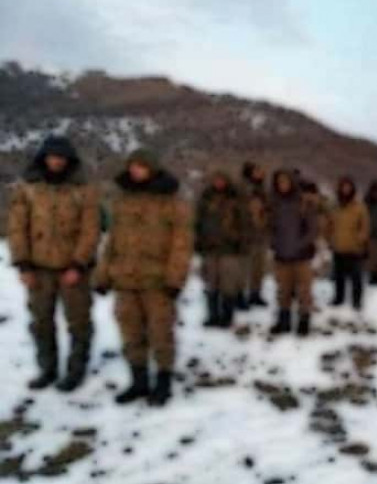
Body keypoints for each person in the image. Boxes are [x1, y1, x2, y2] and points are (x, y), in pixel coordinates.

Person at [94, 149, 192, 406]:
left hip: (157, 281)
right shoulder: (122, 200)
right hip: (125, 280)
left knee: (161, 333)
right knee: (130, 334)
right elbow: (112, 242)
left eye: (141, 166)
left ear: (152, 168)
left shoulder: (171, 202)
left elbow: (181, 244)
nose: (135, 170)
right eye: (132, 166)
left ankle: (163, 382)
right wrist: (102, 275)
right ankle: (139, 382)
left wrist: (175, 279)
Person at [8, 136, 100, 392]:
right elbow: (17, 227)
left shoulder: (83, 190)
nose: (56, 161)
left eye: (61, 157)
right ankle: (47, 369)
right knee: (41, 323)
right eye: (52, 156)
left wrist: (78, 264)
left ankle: (76, 370)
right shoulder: (29, 189)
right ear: (44, 158)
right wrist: (23, 264)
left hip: (73, 269)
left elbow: (90, 230)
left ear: (69, 160)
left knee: (79, 322)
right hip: (39, 268)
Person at [196, 171, 249, 328]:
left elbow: (244, 223)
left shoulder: (235, 199)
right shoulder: (206, 198)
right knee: (211, 284)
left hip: (230, 248)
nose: (218, 182)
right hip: (210, 248)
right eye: (216, 180)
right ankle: (212, 316)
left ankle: (227, 316)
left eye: (221, 180)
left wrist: (241, 243)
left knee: (228, 284)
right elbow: (198, 221)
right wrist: (198, 241)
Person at [268, 169, 318, 336]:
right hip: (281, 254)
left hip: (301, 255)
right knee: (283, 290)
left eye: (285, 181)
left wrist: (300, 244)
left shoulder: (303, 202)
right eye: (279, 182)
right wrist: (274, 242)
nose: (283, 185)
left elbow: (312, 228)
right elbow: (270, 226)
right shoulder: (274, 203)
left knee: (304, 290)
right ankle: (284, 321)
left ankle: (304, 321)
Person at [326, 177, 369, 309]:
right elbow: (328, 224)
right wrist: (330, 238)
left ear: (352, 189)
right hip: (338, 246)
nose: (346, 189)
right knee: (339, 276)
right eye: (343, 187)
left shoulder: (359, 206)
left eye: (348, 187)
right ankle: (339, 298)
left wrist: (360, 239)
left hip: (354, 247)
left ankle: (357, 301)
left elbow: (365, 225)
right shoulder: (334, 206)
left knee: (356, 276)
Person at [242, 162, 270, 307]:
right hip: (247, 234)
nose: (260, 173)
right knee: (246, 267)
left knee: (259, 267)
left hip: (261, 233)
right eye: (257, 171)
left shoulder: (263, 189)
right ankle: (242, 295)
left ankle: (256, 294)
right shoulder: (245, 188)